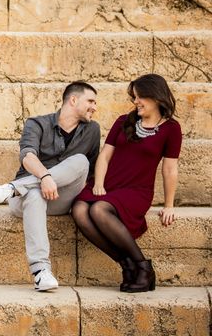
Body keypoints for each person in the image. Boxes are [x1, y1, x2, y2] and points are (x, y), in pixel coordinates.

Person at [72, 74, 181, 293]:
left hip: (136, 191)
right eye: (134, 97)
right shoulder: (124, 121)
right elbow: (104, 157)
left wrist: (169, 204)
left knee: (100, 210)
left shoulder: (171, 129)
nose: (135, 102)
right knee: (80, 210)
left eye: (140, 97)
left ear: (156, 97)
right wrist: (99, 184)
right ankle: (128, 265)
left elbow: (169, 169)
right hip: (107, 184)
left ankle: (142, 267)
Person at [0, 81, 100, 291]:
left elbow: (91, 168)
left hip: (62, 198)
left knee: (81, 161)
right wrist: (44, 176)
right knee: (34, 195)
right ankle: (41, 272)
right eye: (91, 101)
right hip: (25, 201)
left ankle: (13, 187)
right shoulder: (37, 123)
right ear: (73, 100)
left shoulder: (92, 130)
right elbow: (27, 156)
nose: (94, 107)